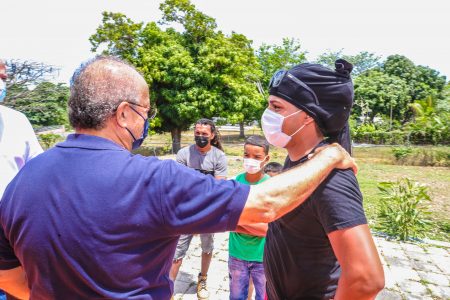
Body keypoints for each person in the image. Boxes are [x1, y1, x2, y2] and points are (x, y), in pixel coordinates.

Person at [0, 56, 356, 300]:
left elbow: (6, 276)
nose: (147, 121)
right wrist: (329, 156)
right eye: (145, 111)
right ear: (124, 114)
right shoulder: (152, 180)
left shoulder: (24, 179)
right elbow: (263, 204)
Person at [261, 60, 385, 299]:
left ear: (307, 116)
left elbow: (367, 280)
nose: (267, 115)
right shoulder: (303, 162)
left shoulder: (332, 178)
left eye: (276, 107)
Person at [169, 118, 227, 300]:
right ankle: (169, 286)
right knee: (177, 252)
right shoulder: (184, 154)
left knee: (207, 248)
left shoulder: (219, 156)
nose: (200, 136)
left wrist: (203, 214)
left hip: (208, 212)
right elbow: (178, 185)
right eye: (197, 133)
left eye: (204, 133)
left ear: (212, 135)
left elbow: (218, 188)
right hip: (185, 211)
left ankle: (203, 279)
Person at [228, 135, 270, 300]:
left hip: (262, 256)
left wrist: (237, 221)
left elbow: (267, 229)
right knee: (237, 296)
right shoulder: (236, 183)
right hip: (237, 254)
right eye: (247, 155)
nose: (250, 160)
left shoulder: (270, 186)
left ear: (266, 159)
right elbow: (227, 220)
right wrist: (253, 223)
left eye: (257, 157)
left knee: (264, 295)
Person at [0, 59, 43, 198]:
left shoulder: (17, 121)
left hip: (11, 216)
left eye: (3, 78)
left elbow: (39, 169)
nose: (1, 84)